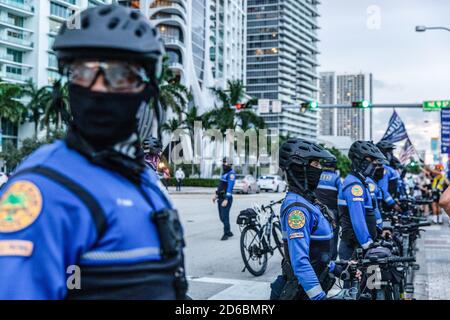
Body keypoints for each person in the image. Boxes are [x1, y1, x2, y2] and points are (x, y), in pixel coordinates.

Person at [0, 4, 187, 300]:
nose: (99, 88)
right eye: (84, 73)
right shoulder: (41, 189)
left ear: (146, 88)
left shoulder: (144, 181)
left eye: (120, 74)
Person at [271, 138, 336, 300]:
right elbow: (300, 262)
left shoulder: (308, 201)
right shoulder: (297, 210)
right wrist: (319, 297)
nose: (320, 169)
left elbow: (315, 251)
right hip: (301, 293)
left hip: (312, 283)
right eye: (315, 164)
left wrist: (336, 266)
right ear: (300, 168)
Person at [338, 141, 386, 260]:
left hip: (361, 246)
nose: (375, 164)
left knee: (372, 278)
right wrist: (367, 244)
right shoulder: (354, 186)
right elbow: (357, 219)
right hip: (355, 248)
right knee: (367, 278)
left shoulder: (361, 182)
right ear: (359, 160)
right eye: (372, 160)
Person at [315, 157, 342, 260]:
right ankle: (331, 260)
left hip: (317, 209)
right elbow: (341, 198)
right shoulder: (336, 179)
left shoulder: (317, 176)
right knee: (333, 237)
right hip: (332, 212)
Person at [213, 158, 236, 241]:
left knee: (224, 216)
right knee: (221, 217)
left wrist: (226, 199)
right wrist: (216, 195)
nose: (223, 164)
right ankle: (229, 231)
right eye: (223, 163)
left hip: (226, 199)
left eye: (225, 163)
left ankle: (226, 234)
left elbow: (230, 187)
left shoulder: (231, 174)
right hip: (220, 197)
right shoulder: (224, 173)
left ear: (229, 164)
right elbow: (221, 186)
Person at [376, 141, 402, 213]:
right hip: (387, 205)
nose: (391, 154)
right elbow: (383, 190)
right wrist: (393, 204)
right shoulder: (383, 169)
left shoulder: (389, 168)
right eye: (389, 152)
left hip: (393, 200)